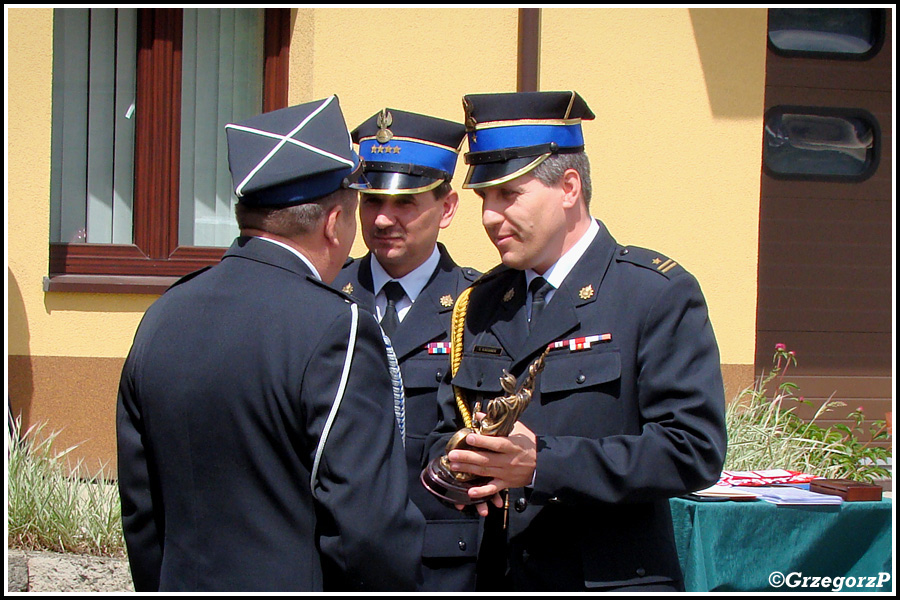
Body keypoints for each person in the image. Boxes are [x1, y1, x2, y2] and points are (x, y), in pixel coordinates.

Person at [116, 97, 425, 592]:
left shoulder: (163, 316)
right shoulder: (337, 328)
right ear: (333, 223)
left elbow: (142, 510)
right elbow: (369, 533)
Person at [433, 91, 727, 591]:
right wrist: (461, 467)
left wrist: (543, 463)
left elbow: (692, 449)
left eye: (509, 195)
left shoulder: (652, 293)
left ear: (569, 187)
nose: (489, 217)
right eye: (485, 198)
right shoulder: (480, 301)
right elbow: (447, 423)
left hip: (606, 578)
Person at [332, 108, 480, 591]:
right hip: (336, 555)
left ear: (449, 207)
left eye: (404, 202)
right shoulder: (325, 297)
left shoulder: (479, 309)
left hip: (438, 562)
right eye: (371, 199)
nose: (382, 218)